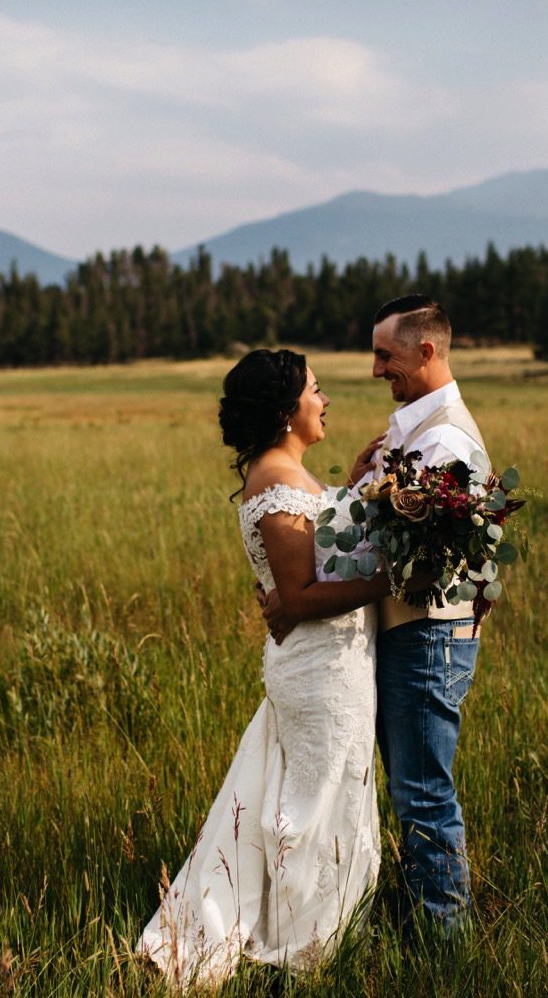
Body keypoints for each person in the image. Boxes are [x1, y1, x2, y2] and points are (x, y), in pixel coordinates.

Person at [137, 348, 392, 987]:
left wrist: (355, 490)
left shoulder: (288, 474)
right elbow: (301, 596)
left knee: (323, 792)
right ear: (286, 410)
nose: (325, 398)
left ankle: (309, 930)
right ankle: (304, 948)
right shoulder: (274, 482)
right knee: (314, 804)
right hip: (319, 672)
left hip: (334, 664)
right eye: (315, 389)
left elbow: (316, 543)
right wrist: (392, 579)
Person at [264, 294, 488, 935]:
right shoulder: (411, 428)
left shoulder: (443, 440)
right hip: (404, 631)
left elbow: (412, 559)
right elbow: (369, 534)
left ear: (425, 351)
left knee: (422, 791)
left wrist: (298, 596)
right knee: (408, 786)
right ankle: (420, 914)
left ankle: (443, 939)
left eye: (384, 356)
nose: (372, 371)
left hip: (430, 635)